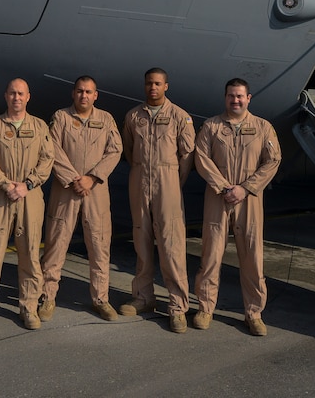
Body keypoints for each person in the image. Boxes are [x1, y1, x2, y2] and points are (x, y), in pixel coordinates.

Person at [193, 78, 281, 336]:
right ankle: (205, 308)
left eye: (240, 96)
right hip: (218, 198)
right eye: (231, 96)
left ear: (249, 98)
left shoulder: (263, 127)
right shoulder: (211, 126)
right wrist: (223, 187)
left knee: (252, 257)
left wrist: (245, 188)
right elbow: (201, 158)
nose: (236, 100)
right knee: (211, 255)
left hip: (249, 199)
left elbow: (273, 160)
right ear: (225, 98)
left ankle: (254, 313)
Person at [38, 76, 123, 322]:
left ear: (96, 95)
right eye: (79, 91)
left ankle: (100, 299)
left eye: (88, 92)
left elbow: (115, 150)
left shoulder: (105, 119)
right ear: (73, 94)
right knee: (56, 242)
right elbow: (52, 148)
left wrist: (92, 178)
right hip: (66, 189)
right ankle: (47, 296)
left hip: (95, 190)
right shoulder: (61, 117)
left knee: (99, 245)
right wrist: (74, 178)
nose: (84, 96)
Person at [0, 78, 54, 333]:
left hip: (29, 197)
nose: (16, 98)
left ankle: (29, 307)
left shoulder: (39, 126)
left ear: (28, 97)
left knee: (30, 254)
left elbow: (47, 160)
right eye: (12, 93)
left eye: (21, 94)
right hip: (0, 196)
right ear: (5, 96)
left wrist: (27, 184)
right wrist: (6, 185)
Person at [119, 67, 195, 333]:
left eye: (158, 83)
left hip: (168, 183)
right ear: (145, 86)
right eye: (149, 83)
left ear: (166, 86)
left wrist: (173, 181)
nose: (153, 87)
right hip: (140, 180)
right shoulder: (133, 117)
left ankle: (177, 306)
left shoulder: (179, 117)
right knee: (141, 240)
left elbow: (187, 156)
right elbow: (129, 151)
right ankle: (143, 297)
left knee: (171, 245)